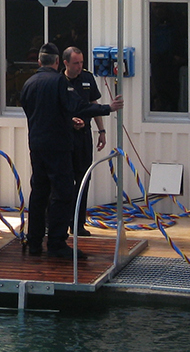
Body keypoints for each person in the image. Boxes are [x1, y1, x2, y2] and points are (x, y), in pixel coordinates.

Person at [19, 43, 121, 260]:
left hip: (36, 146)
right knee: (64, 192)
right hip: (58, 146)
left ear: (39, 62)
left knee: (39, 193)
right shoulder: (58, 82)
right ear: (58, 62)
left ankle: (35, 241)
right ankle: (56, 242)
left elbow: (36, 112)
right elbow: (79, 106)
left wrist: (66, 121)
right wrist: (107, 108)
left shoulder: (28, 83)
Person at [62, 46, 109, 237]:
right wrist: (70, 121)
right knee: (63, 180)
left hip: (84, 136)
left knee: (83, 178)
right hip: (64, 135)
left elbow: (94, 105)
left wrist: (102, 130)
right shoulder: (58, 81)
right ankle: (58, 222)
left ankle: (78, 223)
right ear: (65, 63)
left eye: (81, 62)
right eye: (76, 63)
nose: (79, 66)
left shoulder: (87, 78)